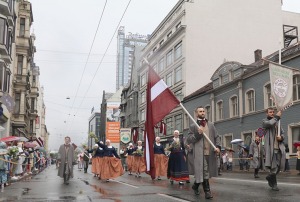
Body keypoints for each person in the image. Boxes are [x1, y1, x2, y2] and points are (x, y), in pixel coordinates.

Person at [187, 106, 220, 199]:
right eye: (200, 111)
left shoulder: (211, 124)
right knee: (205, 172)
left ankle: (195, 186)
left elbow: (217, 136)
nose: (202, 112)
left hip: (210, 152)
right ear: (197, 114)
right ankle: (207, 192)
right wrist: (198, 133)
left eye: (203, 111)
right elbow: (189, 139)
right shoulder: (193, 126)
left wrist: (217, 146)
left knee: (204, 172)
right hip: (199, 154)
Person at [263, 107, 285, 191]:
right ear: (267, 113)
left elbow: (283, 132)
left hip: (278, 147)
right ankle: (274, 185)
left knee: (279, 166)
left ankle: (269, 177)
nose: (272, 113)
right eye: (270, 112)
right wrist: (277, 117)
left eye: (273, 112)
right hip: (270, 148)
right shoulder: (265, 121)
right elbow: (269, 124)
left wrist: (281, 137)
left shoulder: (278, 123)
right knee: (273, 167)